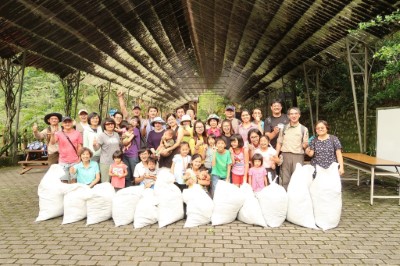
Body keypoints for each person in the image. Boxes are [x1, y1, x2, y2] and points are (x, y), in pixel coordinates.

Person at [276, 107, 309, 190]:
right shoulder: (283, 128)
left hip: (298, 156)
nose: (293, 116)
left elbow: (305, 144)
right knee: (284, 179)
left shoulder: (304, 129)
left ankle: (296, 200)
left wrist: (305, 145)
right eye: (291, 114)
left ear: (299, 115)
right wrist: (276, 155)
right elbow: (279, 142)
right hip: (285, 156)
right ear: (288, 116)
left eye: (296, 113)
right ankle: (285, 198)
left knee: (297, 179)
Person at [49, 116, 83, 183]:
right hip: (63, 161)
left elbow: (80, 146)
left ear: (72, 123)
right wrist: (52, 135)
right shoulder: (58, 133)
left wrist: (80, 157)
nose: (67, 124)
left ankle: (73, 193)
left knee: (74, 180)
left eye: (69, 122)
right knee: (64, 181)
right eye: (65, 122)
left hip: (75, 161)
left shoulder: (77, 133)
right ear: (62, 124)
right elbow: (52, 142)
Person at [93, 117, 121, 183]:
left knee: (116, 181)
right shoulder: (102, 136)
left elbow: (119, 146)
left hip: (117, 162)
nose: (110, 125)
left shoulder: (116, 134)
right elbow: (96, 149)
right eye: (108, 124)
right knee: (106, 182)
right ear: (104, 126)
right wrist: (94, 145)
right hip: (106, 162)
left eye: (112, 124)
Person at [121, 121, 140, 187]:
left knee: (135, 172)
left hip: (133, 154)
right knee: (127, 172)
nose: (133, 122)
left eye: (134, 121)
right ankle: (128, 187)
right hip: (125, 153)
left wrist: (125, 137)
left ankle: (137, 187)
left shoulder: (135, 129)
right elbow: (123, 141)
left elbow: (128, 140)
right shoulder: (126, 130)